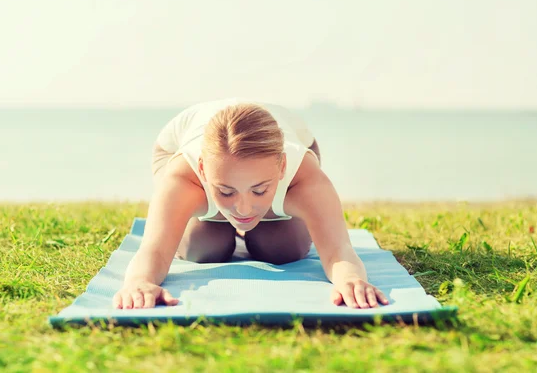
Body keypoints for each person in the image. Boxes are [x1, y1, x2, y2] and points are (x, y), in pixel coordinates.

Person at [112, 98, 389, 310]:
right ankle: (219, 204)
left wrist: (350, 280)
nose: (243, 209)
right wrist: (140, 282)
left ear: (281, 167)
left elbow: (337, 249)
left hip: (290, 141)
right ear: (203, 171)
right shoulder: (183, 178)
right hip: (174, 147)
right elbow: (155, 250)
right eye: (226, 191)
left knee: (283, 249)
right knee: (206, 248)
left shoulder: (304, 177)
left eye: (259, 190)